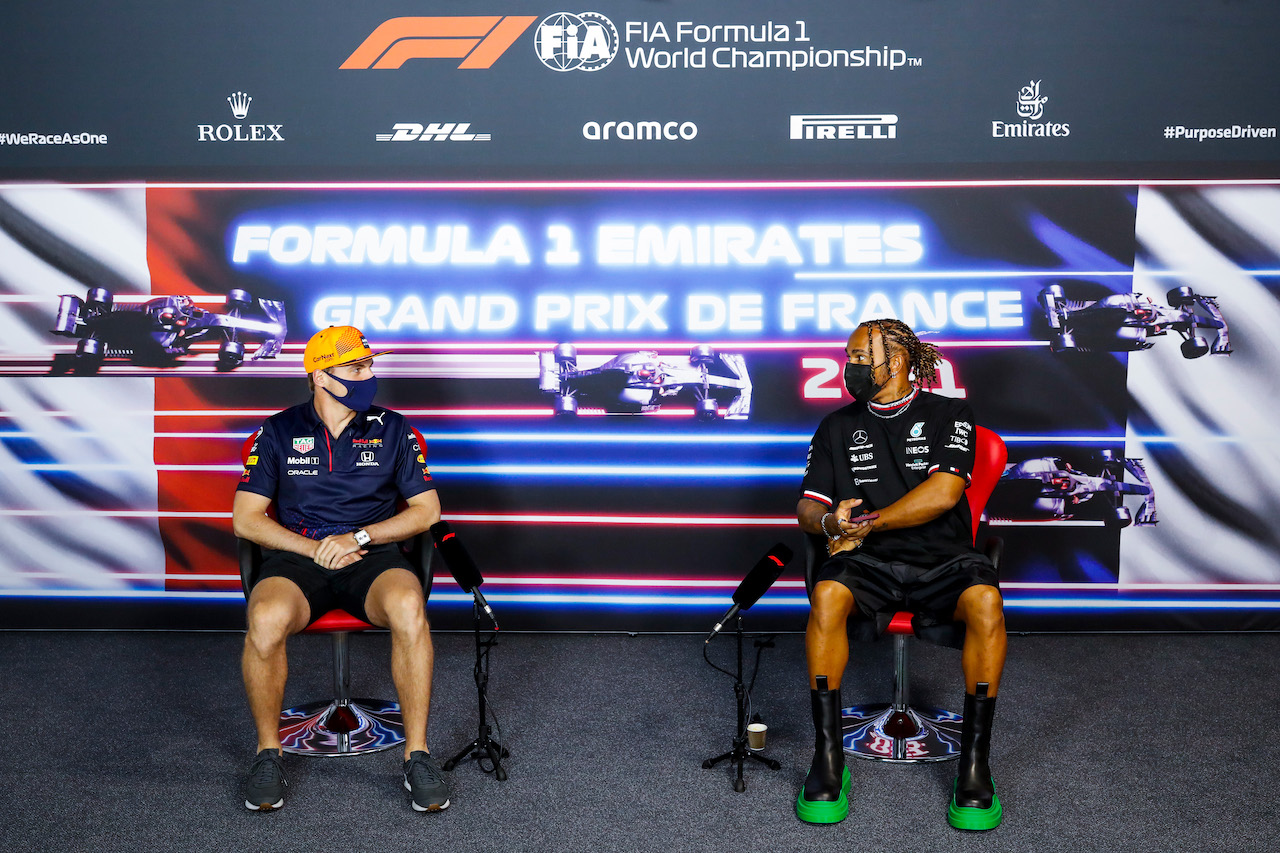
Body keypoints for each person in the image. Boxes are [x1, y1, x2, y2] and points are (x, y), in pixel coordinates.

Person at [794, 318, 1007, 831]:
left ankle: (974, 766)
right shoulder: (836, 427)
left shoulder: (951, 413)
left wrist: (866, 521)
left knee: (985, 602)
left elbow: (944, 494)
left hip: (944, 557)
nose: (851, 368)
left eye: (861, 359)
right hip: (865, 561)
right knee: (826, 595)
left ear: (899, 361)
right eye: (850, 359)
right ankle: (828, 759)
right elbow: (807, 506)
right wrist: (829, 521)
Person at [233, 325, 448, 813]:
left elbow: (426, 511)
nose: (368, 374)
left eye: (369, 365)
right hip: (298, 559)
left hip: (372, 558)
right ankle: (267, 753)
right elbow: (245, 519)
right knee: (264, 620)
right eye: (355, 367)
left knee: (409, 607)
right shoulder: (277, 431)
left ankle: (418, 754)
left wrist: (359, 538)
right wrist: (316, 549)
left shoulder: (394, 429)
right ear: (318, 375)